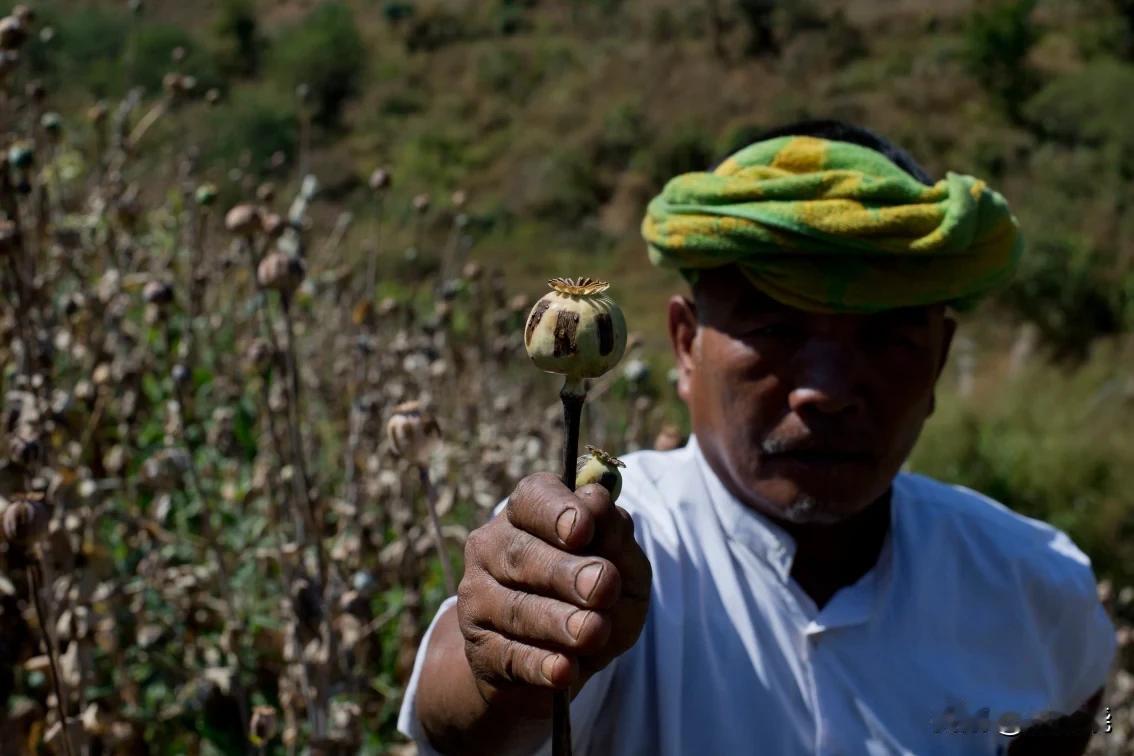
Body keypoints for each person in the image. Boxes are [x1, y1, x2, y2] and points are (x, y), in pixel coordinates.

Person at [396, 119, 1117, 755]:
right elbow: (459, 718)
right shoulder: (605, 541)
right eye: (775, 328)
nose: (826, 391)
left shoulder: (1035, 587)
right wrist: (505, 665)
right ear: (686, 345)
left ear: (939, 362)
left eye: (885, 338)